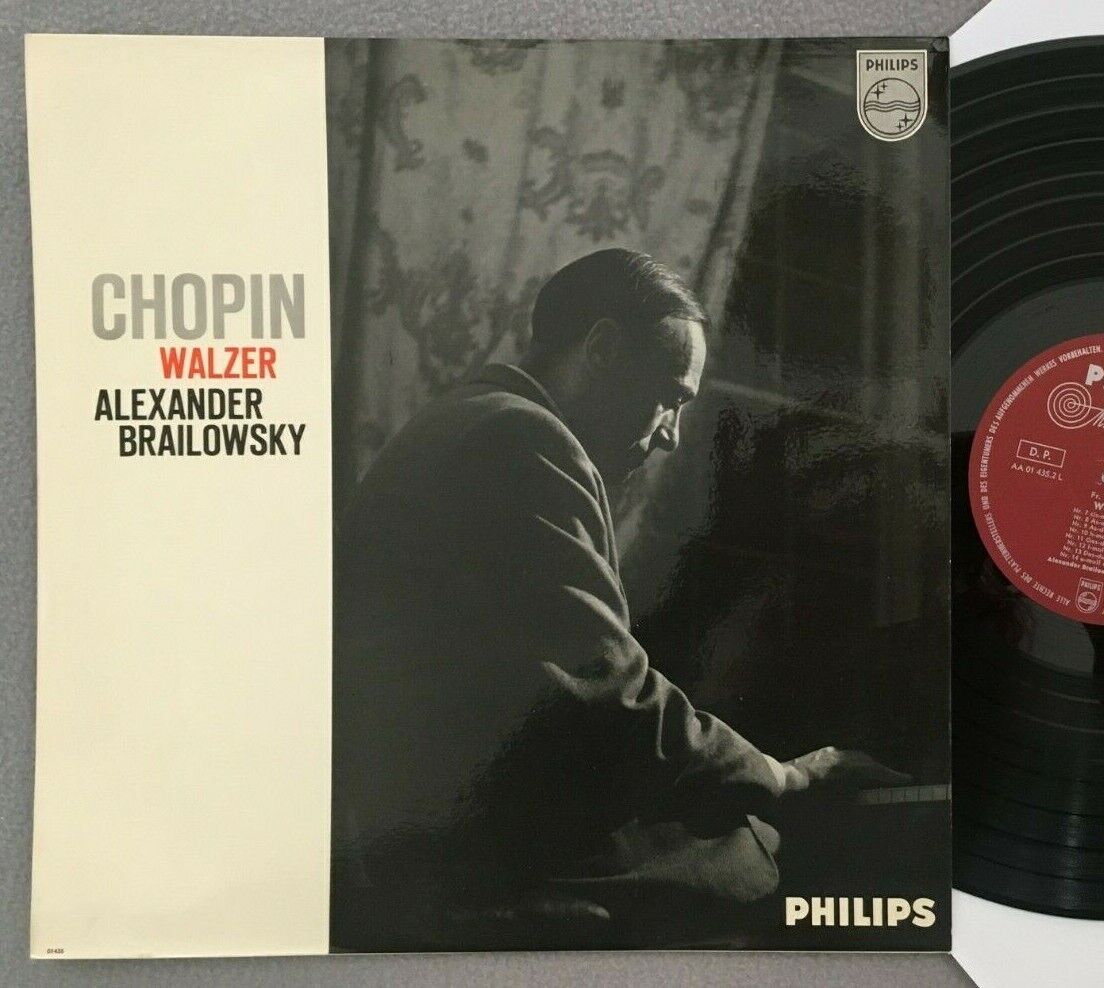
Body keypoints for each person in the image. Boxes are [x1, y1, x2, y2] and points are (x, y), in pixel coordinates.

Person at [331, 248, 905, 950]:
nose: (670, 436)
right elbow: (608, 696)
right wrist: (781, 779)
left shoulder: (470, 417)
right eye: (669, 397)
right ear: (601, 349)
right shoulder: (523, 438)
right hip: (466, 849)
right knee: (763, 858)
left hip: (419, 817)